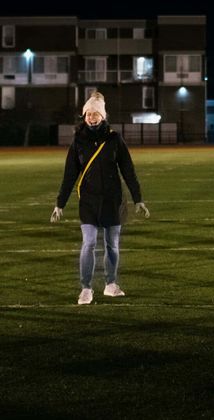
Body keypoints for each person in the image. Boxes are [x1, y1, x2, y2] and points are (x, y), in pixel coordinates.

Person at [50, 92, 150, 305]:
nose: (92, 117)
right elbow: (69, 174)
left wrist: (138, 199)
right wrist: (60, 203)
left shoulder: (114, 139)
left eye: (96, 113)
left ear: (103, 116)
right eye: (88, 113)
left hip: (113, 201)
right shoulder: (78, 140)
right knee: (88, 244)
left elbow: (128, 170)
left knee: (112, 245)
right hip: (88, 201)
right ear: (84, 116)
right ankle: (86, 288)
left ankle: (110, 285)